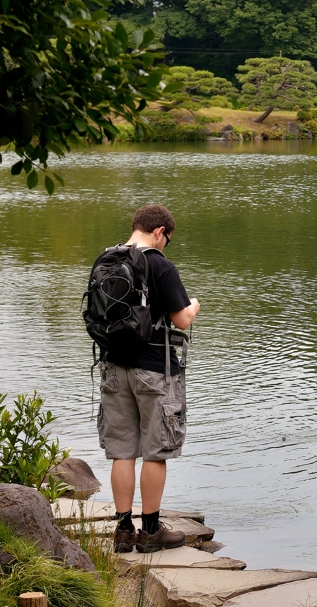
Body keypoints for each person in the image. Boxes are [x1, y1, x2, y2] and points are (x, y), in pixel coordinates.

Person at [98, 204, 200, 553]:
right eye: (167, 239)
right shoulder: (159, 263)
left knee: (122, 451)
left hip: (113, 367)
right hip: (155, 369)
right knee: (155, 452)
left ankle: (123, 530)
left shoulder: (107, 260)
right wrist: (195, 305)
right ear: (160, 232)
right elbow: (182, 320)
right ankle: (151, 532)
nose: (166, 244)